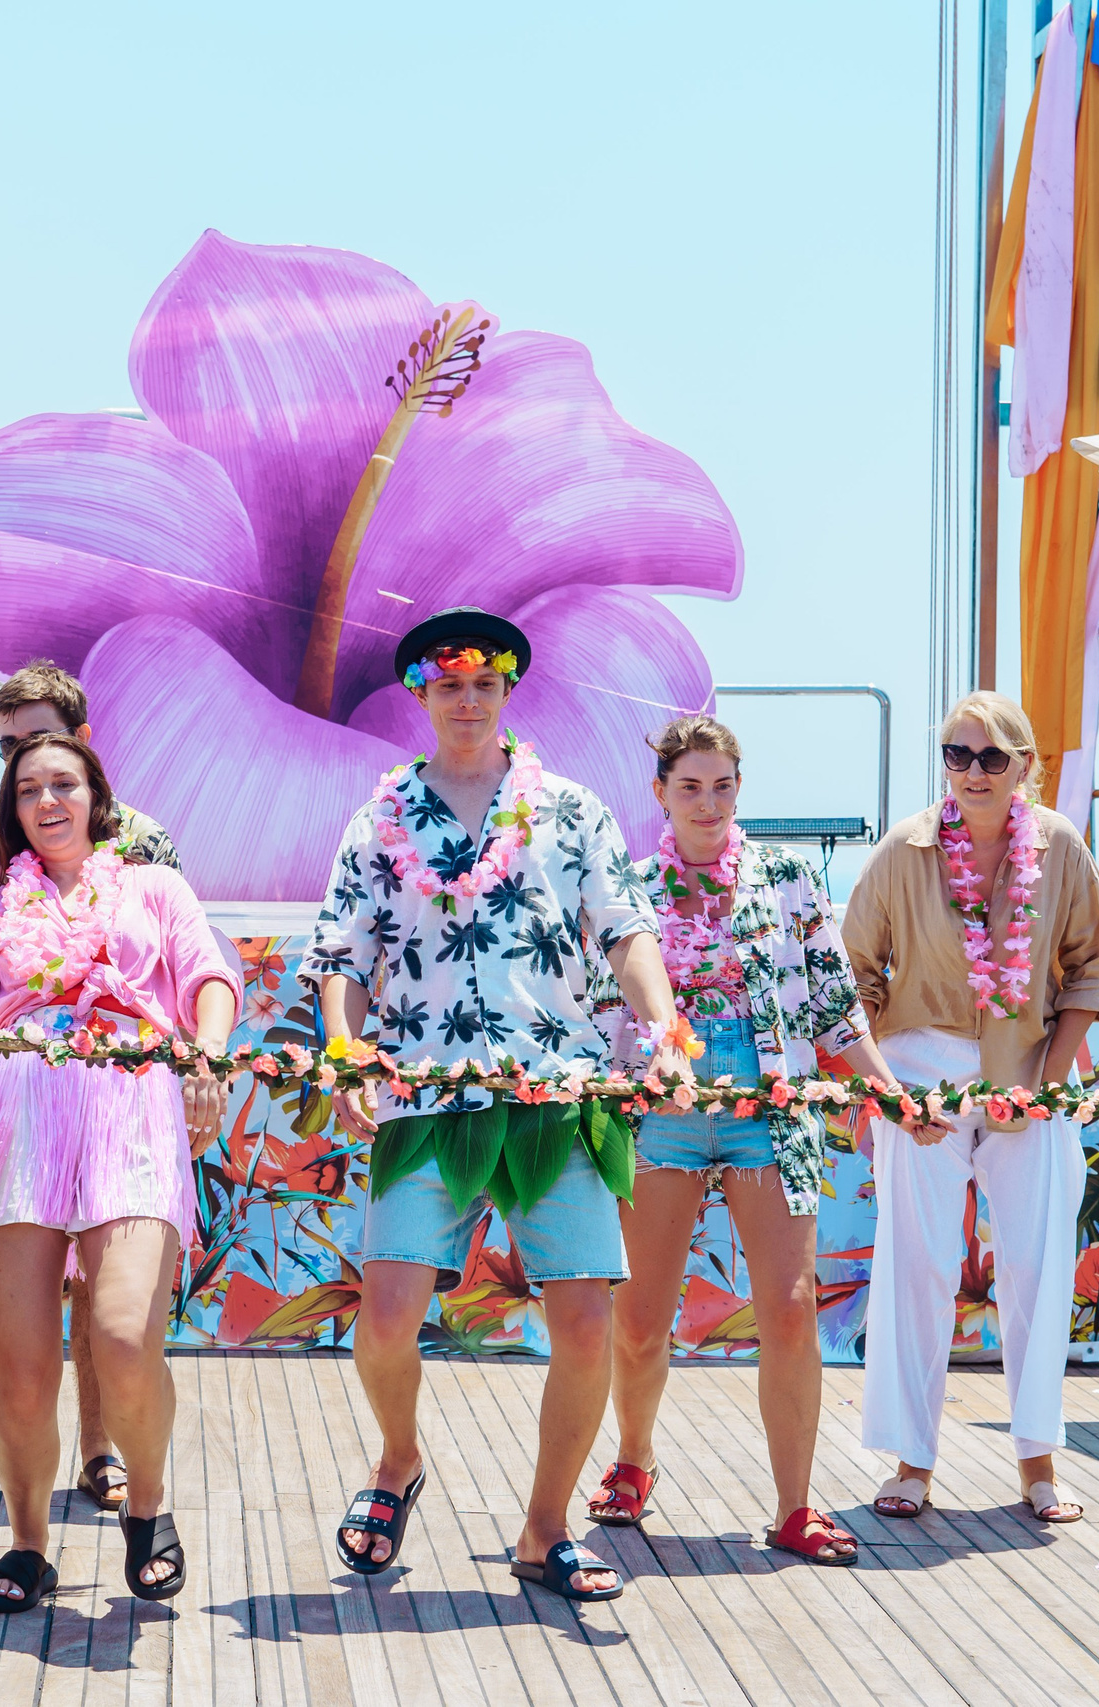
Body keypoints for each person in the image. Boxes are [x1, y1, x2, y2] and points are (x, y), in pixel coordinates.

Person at [302, 607, 691, 1605]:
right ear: (422, 696)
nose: (467, 700)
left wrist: (664, 1028)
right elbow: (341, 954)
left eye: (484, 683)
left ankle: (544, 1529)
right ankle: (399, 1459)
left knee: (586, 1325)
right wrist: (345, 1051)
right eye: (449, 685)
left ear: (508, 689)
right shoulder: (380, 818)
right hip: (423, 1094)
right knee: (385, 1321)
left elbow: (626, 929)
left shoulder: (572, 809)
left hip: (555, 1093)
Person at [589, 714, 944, 1565]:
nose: (708, 803)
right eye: (689, 786)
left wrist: (891, 1097)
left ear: (740, 788)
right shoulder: (628, 885)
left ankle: (794, 1505)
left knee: (789, 1307)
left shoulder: (787, 877)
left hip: (772, 1109)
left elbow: (832, 1007)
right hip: (662, 1112)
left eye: (722, 786)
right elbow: (598, 1010)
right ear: (660, 793)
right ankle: (633, 1458)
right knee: (640, 1319)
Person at [0, 732, 238, 1611]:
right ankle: (28, 1542)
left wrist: (207, 1054)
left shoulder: (154, 886)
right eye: (29, 789)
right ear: (12, 808)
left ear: (97, 796)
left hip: (129, 1110)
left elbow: (208, 976)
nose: (48, 800)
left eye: (64, 783)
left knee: (126, 1338)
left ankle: (146, 1502)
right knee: (24, 1370)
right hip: (15, 1118)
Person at [0, 661, 181, 1508]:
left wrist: (194, 1069)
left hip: (114, 1100)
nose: (25, 767)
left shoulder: (144, 843)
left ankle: (100, 1445)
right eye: (8, 751)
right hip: (1, 1092)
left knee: (105, 1288)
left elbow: (181, 971)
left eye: (39, 744)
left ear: (84, 744)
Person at [842, 691, 1099, 1527]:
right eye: (957, 755)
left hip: (1031, 1066)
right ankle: (911, 1460)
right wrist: (882, 1092)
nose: (973, 772)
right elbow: (851, 976)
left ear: (1025, 766)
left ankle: (1038, 1460)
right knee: (916, 1263)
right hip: (921, 1069)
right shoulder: (904, 849)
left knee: (1035, 1261)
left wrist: (1049, 1083)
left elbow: (1089, 970)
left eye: (992, 757)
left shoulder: (1062, 847)